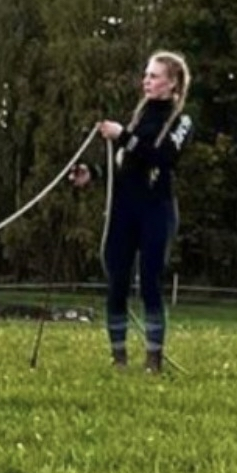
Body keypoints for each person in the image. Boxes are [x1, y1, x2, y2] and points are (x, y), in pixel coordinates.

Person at [70, 51, 193, 373]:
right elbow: (125, 165)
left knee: (150, 282)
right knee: (117, 283)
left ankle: (153, 360)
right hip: (123, 210)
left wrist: (123, 136)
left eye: (153, 76)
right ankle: (119, 359)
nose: (146, 81)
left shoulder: (181, 121)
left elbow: (164, 157)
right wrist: (93, 173)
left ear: (172, 83)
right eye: (146, 75)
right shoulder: (139, 117)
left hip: (156, 210)